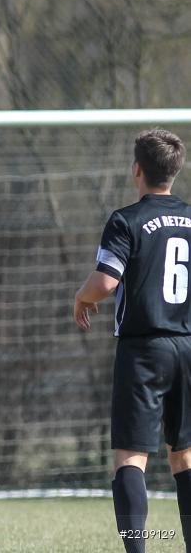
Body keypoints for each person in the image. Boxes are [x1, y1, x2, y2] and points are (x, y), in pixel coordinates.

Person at [74, 129, 191, 553]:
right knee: (185, 457)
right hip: (188, 346)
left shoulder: (127, 219)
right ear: (175, 171)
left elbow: (106, 282)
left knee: (130, 458)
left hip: (144, 350)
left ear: (136, 170)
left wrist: (81, 296)